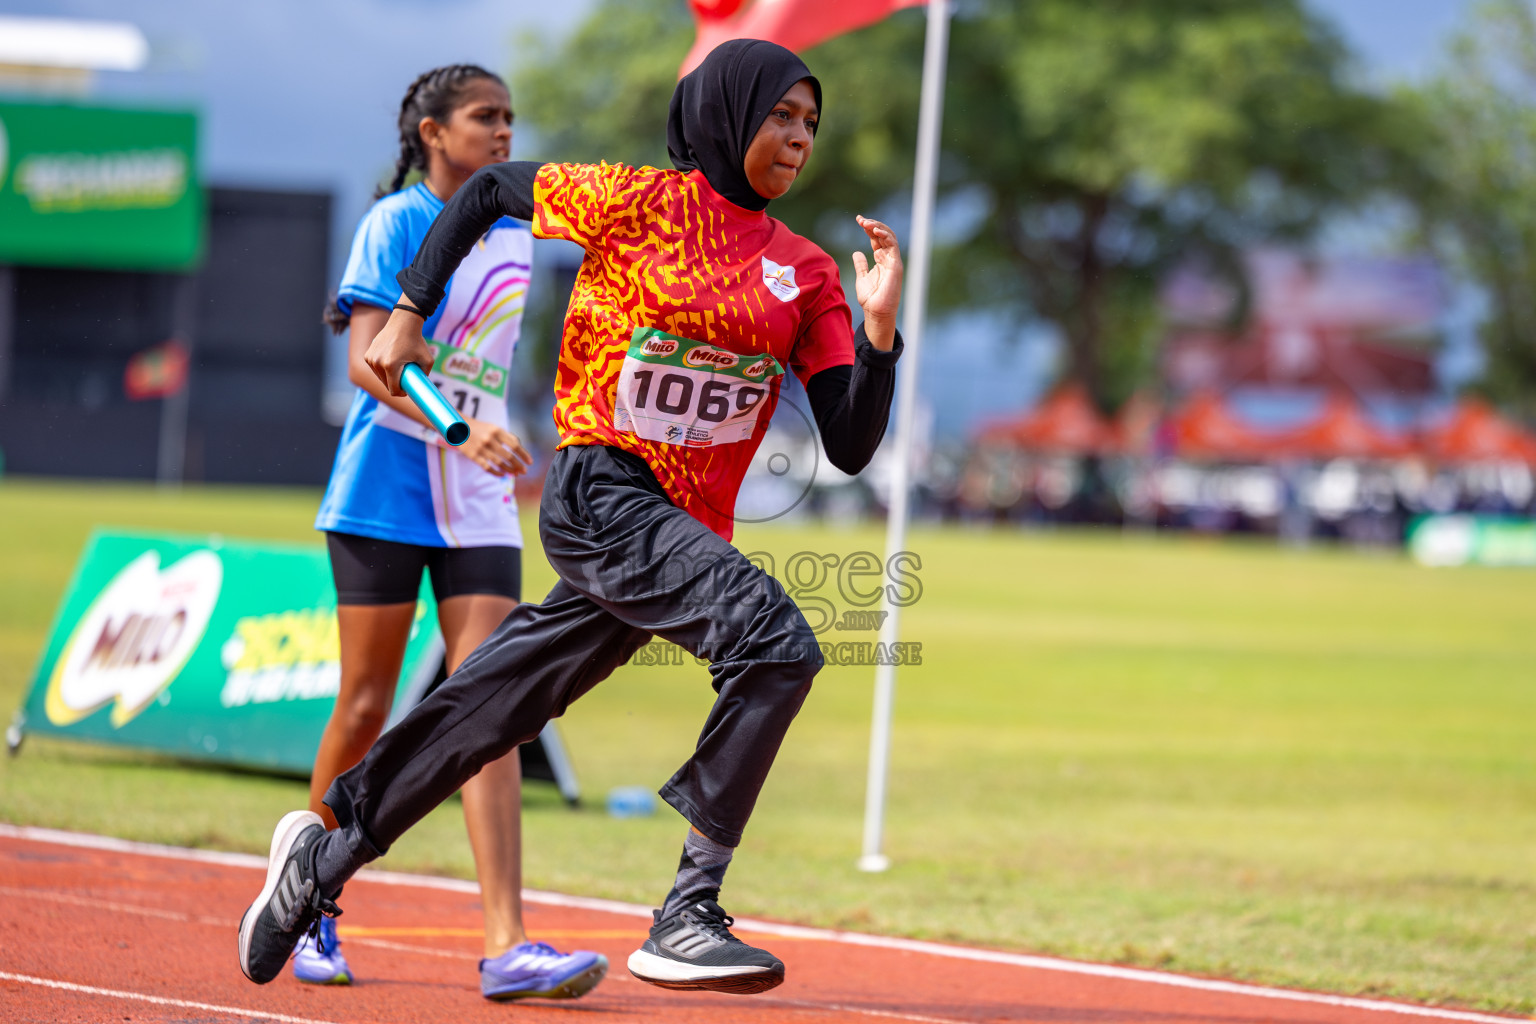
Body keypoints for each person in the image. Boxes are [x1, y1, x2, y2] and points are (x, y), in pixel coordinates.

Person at [238, 38, 904, 997]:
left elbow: (848, 441)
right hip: (601, 494)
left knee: (496, 704)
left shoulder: (803, 273)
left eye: (811, 123)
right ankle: (688, 910)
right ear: (723, 115)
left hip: (679, 535)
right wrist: (410, 312)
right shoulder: (636, 202)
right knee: (778, 641)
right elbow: (486, 192)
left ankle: (324, 859)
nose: (799, 138)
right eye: (780, 116)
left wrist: (878, 335)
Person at [301, 63, 606, 1002]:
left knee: (493, 709)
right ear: (434, 132)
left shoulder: (519, 232)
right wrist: (461, 428)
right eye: (485, 117)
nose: (504, 132)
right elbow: (367, 362)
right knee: (363, 704)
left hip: (479, 499)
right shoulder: (392, 222)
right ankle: (308, 902)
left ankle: (508, 943)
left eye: (512, 116)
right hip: (388, 487)